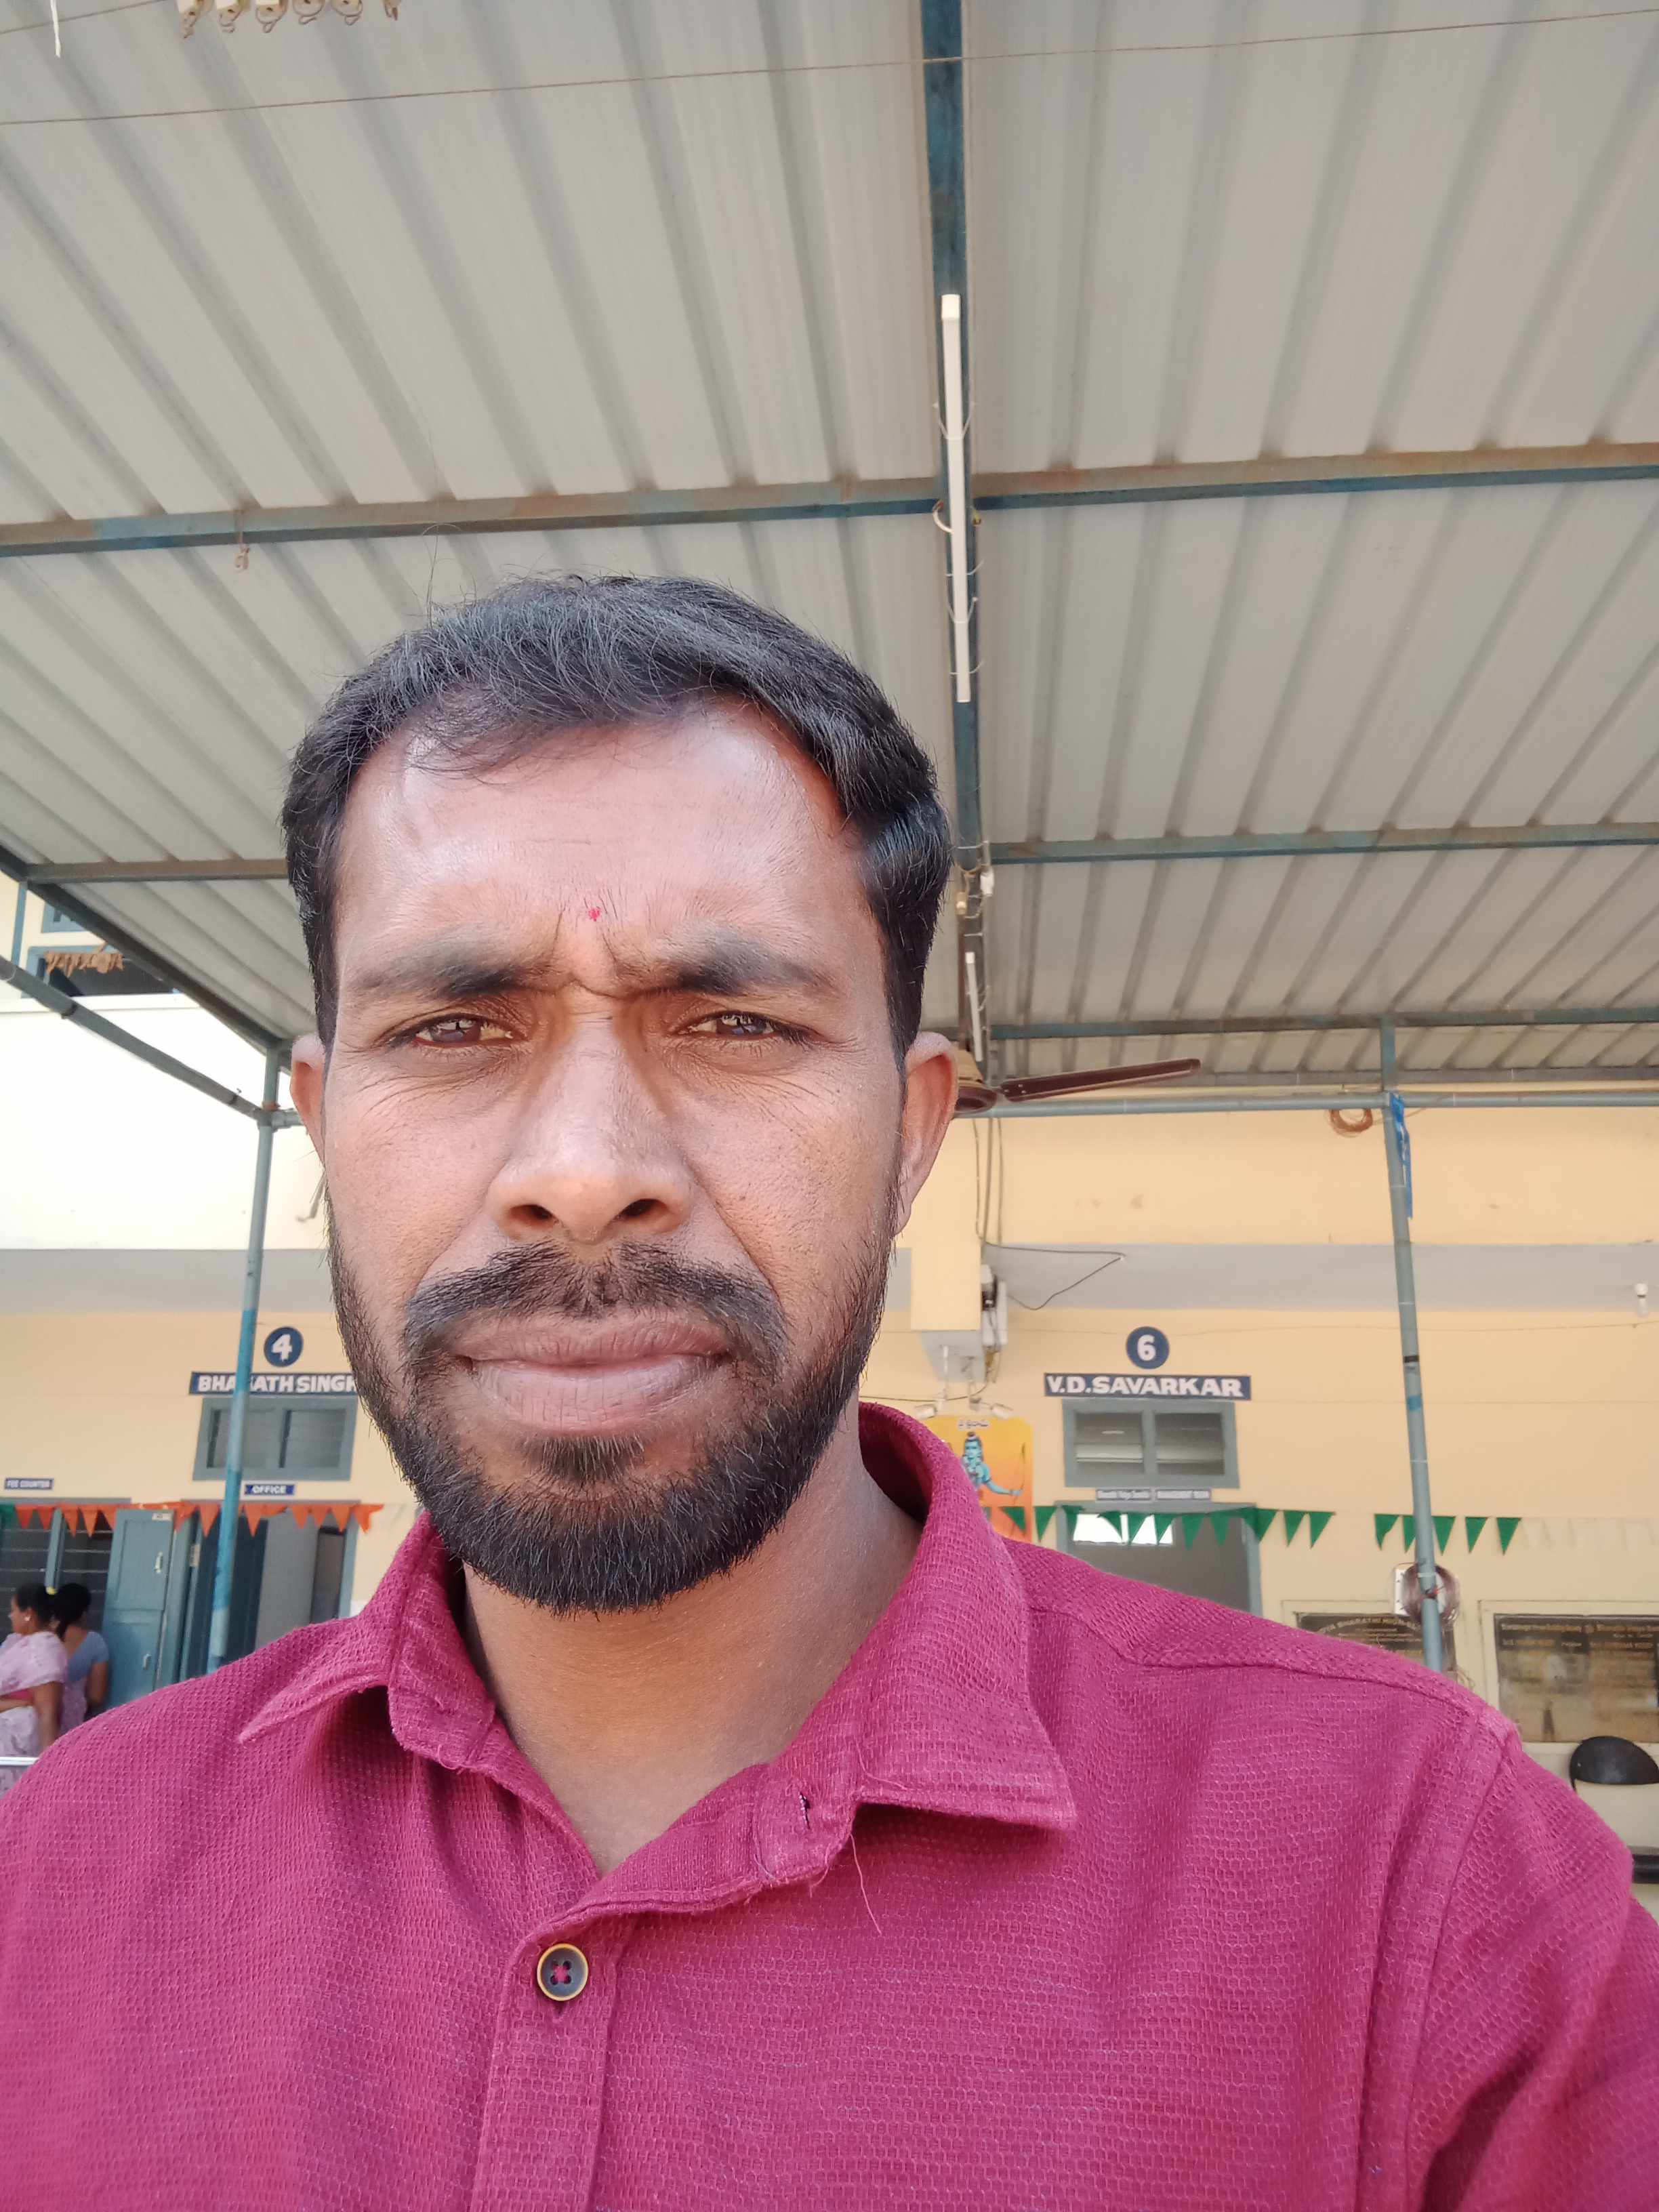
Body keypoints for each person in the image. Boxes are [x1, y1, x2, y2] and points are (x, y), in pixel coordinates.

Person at [0, 576, 1654, 2207]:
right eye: (448, 1030)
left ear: (912, 1134)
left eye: (732, 1019)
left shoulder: (1420, 1881)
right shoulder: (58, 1872)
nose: (582, 1171)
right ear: (321, 1121)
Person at [0, 1582, 66, 1797]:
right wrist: (17, 1702)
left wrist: (47, 1765)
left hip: (18, 1742)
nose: (11, 1616)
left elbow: (48, 1711)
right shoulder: (17, 1643)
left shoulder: (43, 1650)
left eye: (14, 1610)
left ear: (28, 1614)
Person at [49, 1584, 109, 1732]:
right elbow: (96, 1697)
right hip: (72, 1726)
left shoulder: (39, 1636)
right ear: (84, 1612)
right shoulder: (95, 1642)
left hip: (32, 1722)